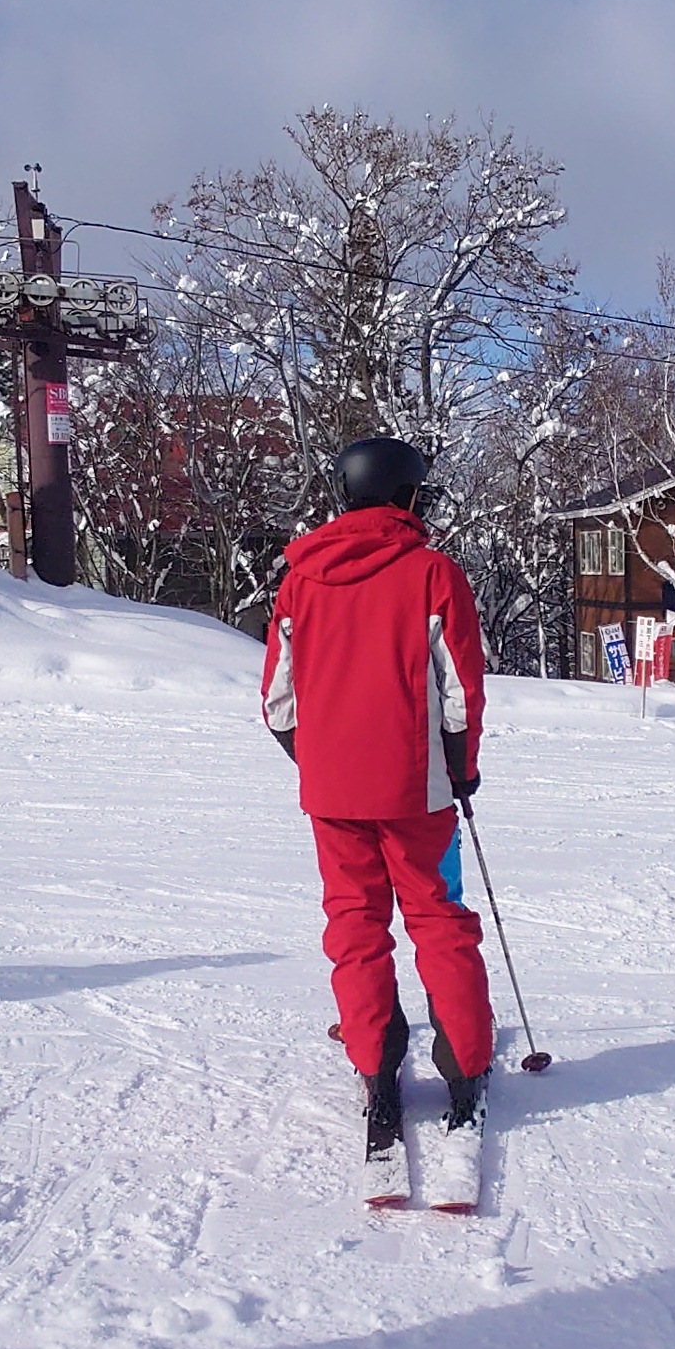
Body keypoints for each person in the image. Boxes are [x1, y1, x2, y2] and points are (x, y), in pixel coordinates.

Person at [261, 435, 494, 1166]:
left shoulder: (300, 581)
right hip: (414, 786)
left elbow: (277, 701)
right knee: (435, 914)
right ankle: (463, 1070)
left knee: (355, 924)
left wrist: (324, 762)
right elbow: (460, 690)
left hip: (333, 792)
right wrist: (462, 772)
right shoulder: (431, 573)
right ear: (408, 495)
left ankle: (376, 1067)